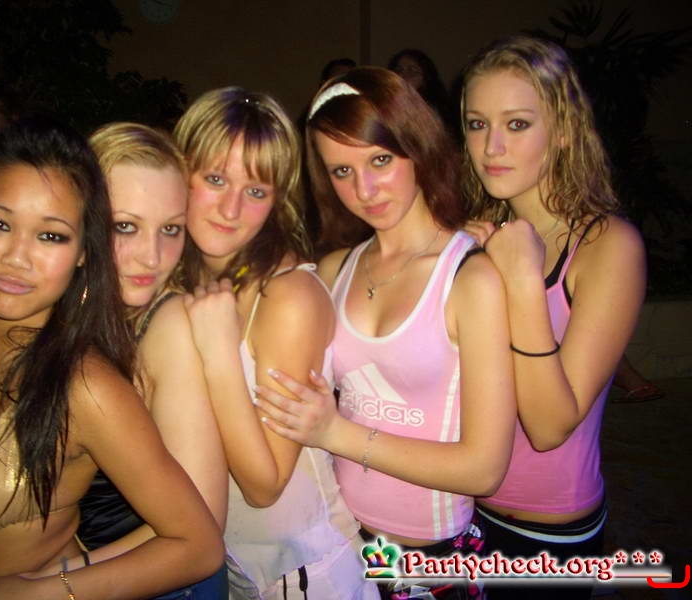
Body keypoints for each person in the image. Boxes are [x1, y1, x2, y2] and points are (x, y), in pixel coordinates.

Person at [0, 117, 223, 600]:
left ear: (84, 247)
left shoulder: (103, 372)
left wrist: (48, 588)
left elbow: (200, 536)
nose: (16, 257)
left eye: (50, 235)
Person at [252, 66, 516, 600]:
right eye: (341, 171)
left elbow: (485, 469)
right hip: (342, 544)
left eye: (379, 160)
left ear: (417, 149)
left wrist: (335, 433)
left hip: (431, 561)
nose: (364, 189)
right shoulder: (334, 270)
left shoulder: (470, 278)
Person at [460, 36, 646, 599]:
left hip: (544, 534)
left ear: (563, 131)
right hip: (458, 510)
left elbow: (549, 427)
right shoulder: (477, 233)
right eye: (476, 124)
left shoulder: (608, 246)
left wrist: (520, 282)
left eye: (517, 124)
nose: (492, 146)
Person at [173, 88, 378, 599]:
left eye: (256, 190)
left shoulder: (289, 298)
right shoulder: (183, 279)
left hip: (307, 575)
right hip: (232, 568)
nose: (231, 208)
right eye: (215, 179)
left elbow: (265, 485)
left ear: (277, 199)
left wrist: (219, 355)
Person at [69, 121, 229, 598]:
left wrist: (53, 579)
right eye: (126, 226)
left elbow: (205, 517)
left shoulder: (168, 324)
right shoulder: (66, 314)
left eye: (170, 230)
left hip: (165, 585)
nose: (152, 257)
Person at [388, 49, 453, 133]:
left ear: (426, 79)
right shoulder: (386, 106)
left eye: (412, 71)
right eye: (398, 70)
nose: (402, 75)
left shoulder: (432, 113)